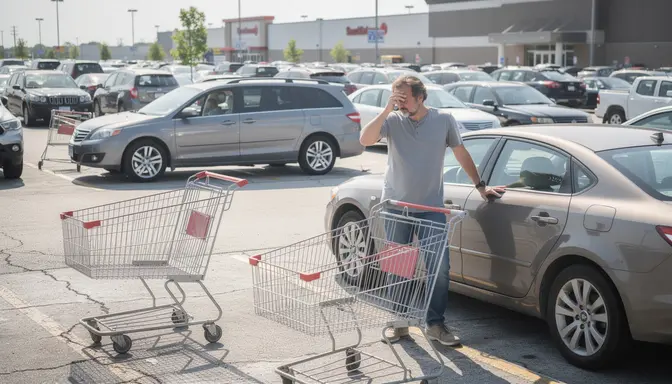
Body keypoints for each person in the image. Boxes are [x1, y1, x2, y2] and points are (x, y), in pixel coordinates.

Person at [359, 75, 505, 346]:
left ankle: (435, 324)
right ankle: (399, 322)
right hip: (396, 206)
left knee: (439, 268)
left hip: (430, 207)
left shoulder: (443, 120)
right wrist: (386, 109)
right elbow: (365, 139)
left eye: (403, 98)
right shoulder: (392, 121)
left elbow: (461, 153)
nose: (399, 103)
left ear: (420, 97)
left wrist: (481, 186)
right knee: (398, 268)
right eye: (395, 97)